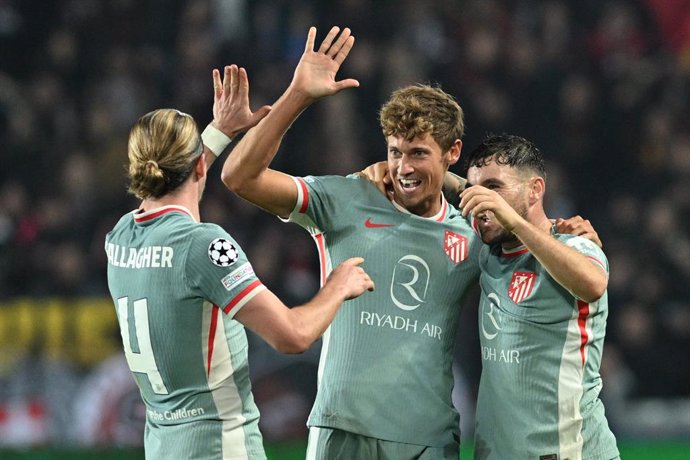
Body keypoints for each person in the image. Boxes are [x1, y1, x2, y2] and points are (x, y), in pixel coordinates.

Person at [222, 26, 480, 459]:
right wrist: (298, 96)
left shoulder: (472, 236)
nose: (403, 167)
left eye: (418, 153)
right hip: (340, 428)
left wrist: (567, 232)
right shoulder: (344, 199)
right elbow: (239, 177)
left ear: (452, 151)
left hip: (427, 440)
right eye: (395, 152)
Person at [105, 64, 374, 460]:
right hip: (221, 447)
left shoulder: (121, 237)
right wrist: (337, 286)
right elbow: (292, 335)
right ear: (198, 166)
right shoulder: (203, 245)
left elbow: (173, 182)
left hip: (163, 447)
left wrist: (219, 132)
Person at [458, 133, 619, 459]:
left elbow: (593, 283)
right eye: (474, 190)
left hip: (571, 451)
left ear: (535, 190)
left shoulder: (575, 245)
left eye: (494, 188)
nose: (482, 202)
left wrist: (515, 222)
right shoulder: (487, 253)